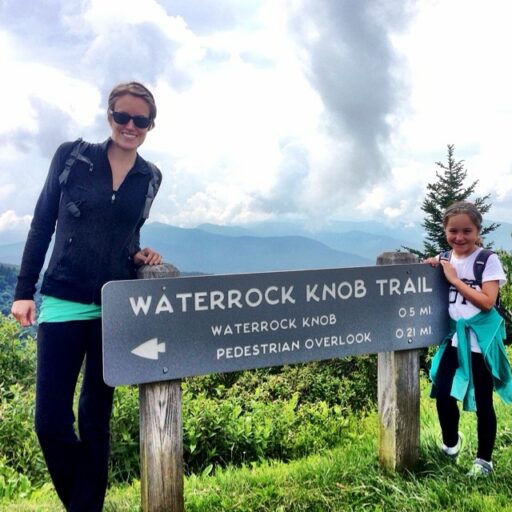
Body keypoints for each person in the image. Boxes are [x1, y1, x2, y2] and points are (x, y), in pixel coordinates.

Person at [11, 81, 163, 511]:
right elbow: (42, 223)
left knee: (97, 418)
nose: (130, 126)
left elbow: (128, 231)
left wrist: (140, 252)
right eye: (122, 116)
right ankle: (86, 504)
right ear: (109, 116)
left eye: (141, 120)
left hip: (115, 307)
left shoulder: (150, 176)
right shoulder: (72, 157)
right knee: (50, 422)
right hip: (61, 300)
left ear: (151, 125)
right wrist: (24, 291)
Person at [425, 201, 512, 477]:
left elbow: (488, 302)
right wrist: (433, 265)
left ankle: (483, 461)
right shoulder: (446, 259)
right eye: (453, 231)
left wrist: (454, 279)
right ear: (445, 231)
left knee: (484, 402)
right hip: (455, 341)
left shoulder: (488, 260)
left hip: (481, 344)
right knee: (442, 393)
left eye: (466, 231)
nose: (459, 237)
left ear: (477, 231)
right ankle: (451, 443)